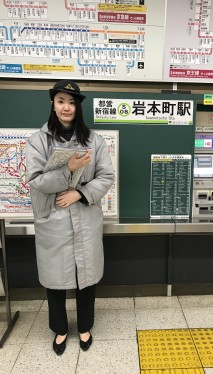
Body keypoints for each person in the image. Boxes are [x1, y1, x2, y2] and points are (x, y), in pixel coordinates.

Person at [26, 80, 115, 355]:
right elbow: (36, 181)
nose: (66, 107)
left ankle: (85, 326)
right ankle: (60, 329)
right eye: (61, 101)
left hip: (85, 216)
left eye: (72, 102)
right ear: (53, 104)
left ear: (78, 107)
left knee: (86, 276)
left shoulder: (94, 141)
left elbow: (106, 176)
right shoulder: (37, 141)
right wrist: (69, 168)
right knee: (55, 278)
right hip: (53, 220)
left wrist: (80, 194)